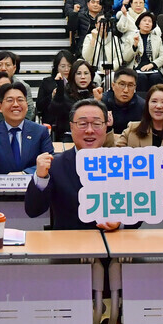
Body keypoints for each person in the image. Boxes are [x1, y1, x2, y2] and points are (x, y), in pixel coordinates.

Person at [25, 99, 125, 231]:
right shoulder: (56, 165)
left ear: (106, 126)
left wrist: (121, 222)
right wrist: (40, 177)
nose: (89, 130)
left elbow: (139, 211)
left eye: (96, 124)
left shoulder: (122, 164)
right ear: (71, 127)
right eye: (82, 124)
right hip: (68, 241)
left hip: (114, 239)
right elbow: (33, 210)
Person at [0, 83, 53, 178]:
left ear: (27, 105)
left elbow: (49, 162)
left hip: (32, 185)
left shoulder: (40, 131)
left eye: (20, 100)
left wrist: (24, 173)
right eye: (10, 100)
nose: (16, 104)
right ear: (0, 107)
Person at [46, 60, 102, 141]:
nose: (83, 77)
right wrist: (59, 90)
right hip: (69, 136)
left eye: (86, 73)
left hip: (92, 135)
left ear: (91, 76)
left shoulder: (96, 93)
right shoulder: (65, 93)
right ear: (73, 76)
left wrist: (97, 101)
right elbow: (53, 111)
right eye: (78, 73)